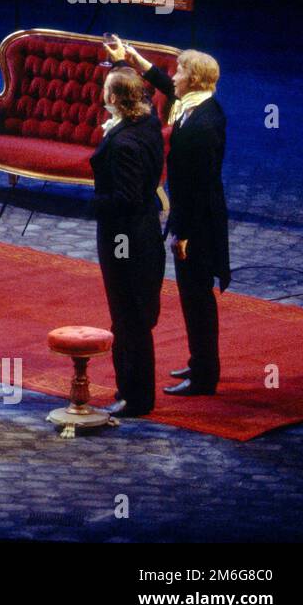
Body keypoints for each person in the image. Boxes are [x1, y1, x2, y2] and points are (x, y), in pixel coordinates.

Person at [107, 37, 229, 396]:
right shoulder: (194, 105)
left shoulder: (204, 124)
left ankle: (205, 375)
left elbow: (201, 186)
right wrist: (135, 59)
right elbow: (163, 84)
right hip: (192, 219)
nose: (174, 77)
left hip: (200, 226)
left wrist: (185, 233)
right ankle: (199, 362)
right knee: (192, 297)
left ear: (193, 79)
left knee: (198, 298)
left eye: (180, 72)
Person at [90, 66, 166, 418]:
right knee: (132, 318)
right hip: (143, 233)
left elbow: (126, 198)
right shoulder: (147, 124)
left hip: (125, 240)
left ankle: (134, 397)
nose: (102, 92)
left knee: (127, 318)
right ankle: (132, 391)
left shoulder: (122, 144)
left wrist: (90, 205)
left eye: (107, 88)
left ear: (115, 97)